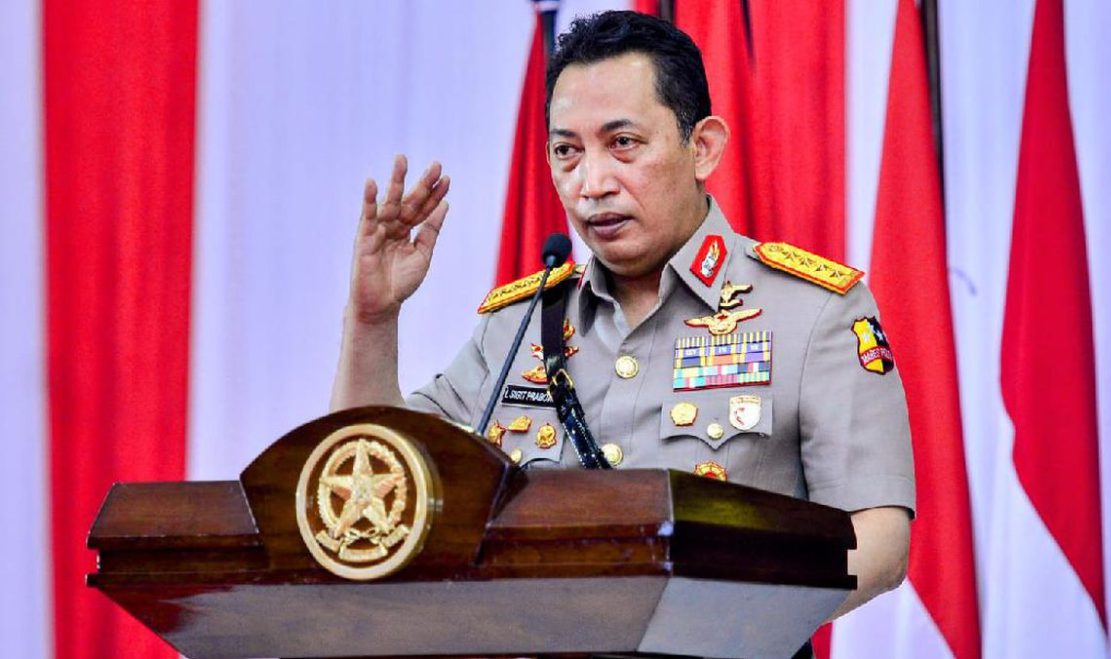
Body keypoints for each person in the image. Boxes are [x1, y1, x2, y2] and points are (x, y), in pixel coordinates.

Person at [331, 10, 913, 621]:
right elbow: (371, 479)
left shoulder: (811, 312)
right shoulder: (518, 327)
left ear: (702, 148)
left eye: (623, 144)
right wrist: (372, 318)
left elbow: (878, 540)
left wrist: (711, 617)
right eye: (567, 151)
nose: (592, 183)